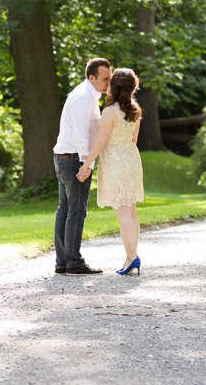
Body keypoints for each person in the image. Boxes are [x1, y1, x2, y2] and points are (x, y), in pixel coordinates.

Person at [77, 68, 144, 276]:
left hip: (115, 161)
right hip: (132, 158)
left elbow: (99, 142)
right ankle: (130, 257)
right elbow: (134, 140)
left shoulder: (110, 112)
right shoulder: (134, 109)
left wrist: (85, 164)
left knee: (122, 211)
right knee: (130, 210)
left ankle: (132, 257)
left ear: (114, 87)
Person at [52, 58, 111, 276]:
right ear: (92, 77)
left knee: (65, 210)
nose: (108, 82)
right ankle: (74, 263)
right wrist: (85, 164)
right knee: (75, 212)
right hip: (73, 158)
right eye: (105, 79)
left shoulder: (87, 94)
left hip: (66, 157)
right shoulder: (84, 97)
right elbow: (80, 134)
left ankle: (63, 263)